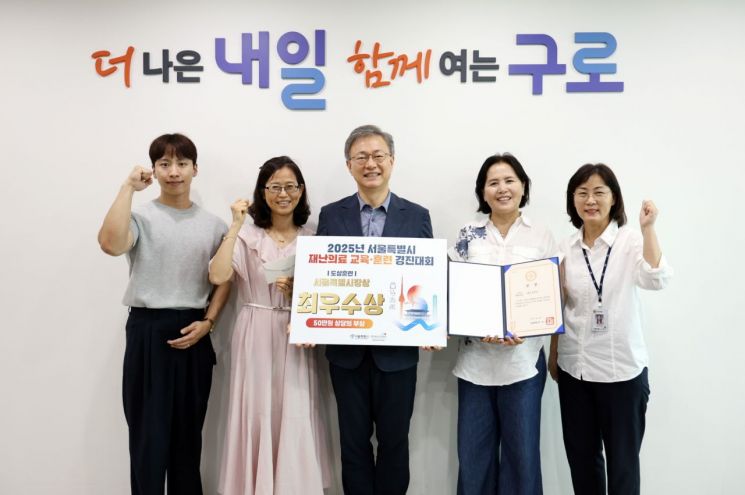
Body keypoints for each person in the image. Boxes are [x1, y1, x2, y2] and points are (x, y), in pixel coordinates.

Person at [97, 133, 231, 495]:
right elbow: (109, 244)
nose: (174, 172)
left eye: (182, 163)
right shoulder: (140, 217)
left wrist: (209, 321)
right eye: (165, 164)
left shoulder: (215, 225)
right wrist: (128, 187)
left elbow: (224, 279)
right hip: (148, 331)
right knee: (148, 440)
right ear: (154, 170)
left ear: (195, 169)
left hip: (194, 330)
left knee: (188, 441)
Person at [316, 124, 433, 495]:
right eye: (361, 157)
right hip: (346, 355)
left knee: (395, 444)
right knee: (352, 444)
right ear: (349, 165)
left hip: (397, 354)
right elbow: (321, 277)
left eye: (378, 155)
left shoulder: (417, 215)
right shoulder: (330, 215)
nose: (371, 164)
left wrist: (430, 323)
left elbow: (425, 278)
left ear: (392, 161)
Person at [548, 163, 673, 495]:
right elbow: (557, 306)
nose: (590, 200)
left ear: (613, 198)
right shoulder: (565, 248)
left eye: (599, 192)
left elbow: (656, 278)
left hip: (621, 374)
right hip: (575, 371)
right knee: (582, 463)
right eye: (582, 193)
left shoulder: (630, 241)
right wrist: (554, 354)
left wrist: (648, 229)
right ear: (572, 200)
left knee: (623, 468)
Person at [209, 156, 330, 495]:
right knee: (256, 408)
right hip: (255, 328)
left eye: (290, 186)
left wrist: (299, 292)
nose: (283, 194)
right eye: (274, 187)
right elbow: (218, 275)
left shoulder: (314, 237)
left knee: (296, 407)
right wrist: (235, 226)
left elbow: (327, 292)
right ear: (262, 192)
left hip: (297, 334)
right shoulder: (247, 235)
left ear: (301, 191)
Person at [452, 154, 556, 495]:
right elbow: (453, 292)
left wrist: (527, 329)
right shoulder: (468, 235)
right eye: (493, 183)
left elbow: (551, 298)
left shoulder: (541, 236)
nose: (502, 189)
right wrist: (470, 324)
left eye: (509, 180)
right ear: (483, 192)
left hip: (523, 364)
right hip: (475, 366)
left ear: (523, 186)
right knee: (473, 461)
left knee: (522, 461)